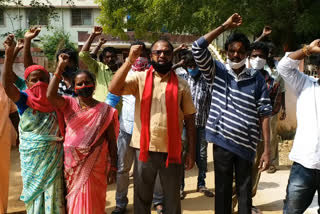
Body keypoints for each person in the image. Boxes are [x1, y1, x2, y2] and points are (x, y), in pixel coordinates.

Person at [192, 13, 272, 214]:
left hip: (247, 145)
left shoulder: (257, 79)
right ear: (226, 51)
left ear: (246, 54)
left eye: (240, 52)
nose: (235, 55)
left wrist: (267, 149)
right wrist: (224, 26)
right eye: (231, 51)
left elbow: (264, 113)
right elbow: (196, 47)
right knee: (222, 192)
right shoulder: (216, 71)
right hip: (222, 142)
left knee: (245, 193)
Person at [109, 40, 197, 214]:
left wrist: (191, 152)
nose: (162, 55)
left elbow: (190, 119)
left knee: (172, 198)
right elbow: (114, 88)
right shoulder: (139, 79)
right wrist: (129, 60)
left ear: (172, 56)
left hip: (172, 149)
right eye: (158, 52)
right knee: (142, 198)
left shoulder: (181, 84)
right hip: (144, 150)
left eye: (166, 52)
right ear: (151, 56)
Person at [47, 53, 118, 214]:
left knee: (94, 201)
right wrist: (59, 68)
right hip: (73, 164)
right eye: (79, 84)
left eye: (87, 82)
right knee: (74, 201)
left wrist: (113, 167)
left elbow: (112, 141)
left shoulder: (106, 110)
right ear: (74, 88)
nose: (84, 86)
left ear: (94, 85)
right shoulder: (68, 103)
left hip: (96, 164)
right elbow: (50, 95)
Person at [2, 34, 65, 213]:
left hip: (53, 156)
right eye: (34, 80)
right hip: (32, 157)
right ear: (26, 83)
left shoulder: (57, 100)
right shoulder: (24, 99)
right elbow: (7, 85)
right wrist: (9, 54)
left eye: (43, 79)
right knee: (35, 194)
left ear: (49, 81)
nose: (39, 83)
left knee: (55, 192)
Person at [106, 42, 164, 214]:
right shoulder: (124, 73)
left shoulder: (154, 75)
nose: (139, 57)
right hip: (126, 130)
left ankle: (158, 200)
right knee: (123, 169)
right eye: (135, 53)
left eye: (142, 53)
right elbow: (111, 98)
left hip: (148, 131)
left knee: (149, 170)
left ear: (148, 55)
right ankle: (121, 202)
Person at [277, 39, 320, 214]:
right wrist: (308, 49)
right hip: (304, 164)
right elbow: (284, 67)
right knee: (291, 211)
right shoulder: (306, 84)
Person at [177, 51, 214, 198]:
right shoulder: (182, 79)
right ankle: (180, 186)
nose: (192, 68)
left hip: (202, 124)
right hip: (184, 125)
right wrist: (180, 64)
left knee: (202, 155)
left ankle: (201, 184)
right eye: (189, 66)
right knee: (182, 153)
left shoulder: (207, 80)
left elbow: (211, 103)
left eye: (194, 65)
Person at [255, 26, 287, 173]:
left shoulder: (279, 68)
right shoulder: (256, 65)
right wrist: (262, 36)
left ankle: (272, 162)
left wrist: (284, 108)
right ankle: (256, 159)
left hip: (273, 107)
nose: (272, 54)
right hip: (256, 106)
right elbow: (250, 48)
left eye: (273, 52)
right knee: (257, 134)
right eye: (270, 52)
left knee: (272, 134)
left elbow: (282, 89)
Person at [79, 26, 118, 102]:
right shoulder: (99, 67)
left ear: (116, 57)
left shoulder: (123, 70)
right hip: (99, 108)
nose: (110, 59)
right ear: (103, 59)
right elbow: (83, 55)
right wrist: (93, 35)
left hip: (118, 110)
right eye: (107, 57)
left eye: (112, 57)